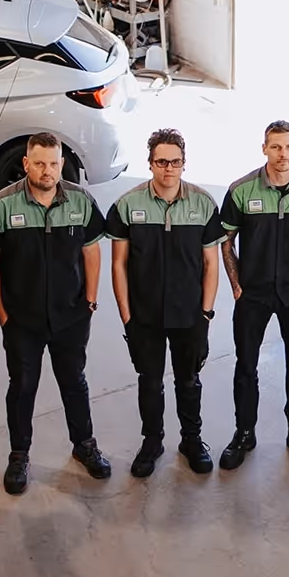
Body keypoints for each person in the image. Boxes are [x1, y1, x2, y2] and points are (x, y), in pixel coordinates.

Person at [0, 132, 111, 494]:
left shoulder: (80, 201)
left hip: (71, 317)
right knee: (22, 387)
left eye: (53, 163)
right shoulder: (0, 206)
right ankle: (19, 456)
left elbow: (92, 252)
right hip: (22, 321)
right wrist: (3, 315)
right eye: (39, 163)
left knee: (74, 383)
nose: (47, 170)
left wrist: (90, 302)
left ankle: (85, 446)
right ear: (26, 164)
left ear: (61, 163)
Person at [105, 129, 225, 477]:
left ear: (184, 164)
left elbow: (211, 264)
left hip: (189, 315)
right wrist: (127, 316)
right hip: (144, 317)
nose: (168, 169)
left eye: (175, 162)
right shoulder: (128, 205)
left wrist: (205, 314)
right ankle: (152, 441)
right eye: (161, 162)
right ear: (150, 164)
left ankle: (191, 440)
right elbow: (118, 264)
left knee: (188, 381)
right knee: (150, 381)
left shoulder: (202, 204)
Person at [219, 120, 289, 470]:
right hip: (252, 294)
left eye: (288, 147)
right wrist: (237, 284)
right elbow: (226, 239)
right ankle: (244, 432)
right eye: (275, 147)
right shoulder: (241, 190)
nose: (282, 154)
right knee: (246, 367)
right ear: (264, 148)